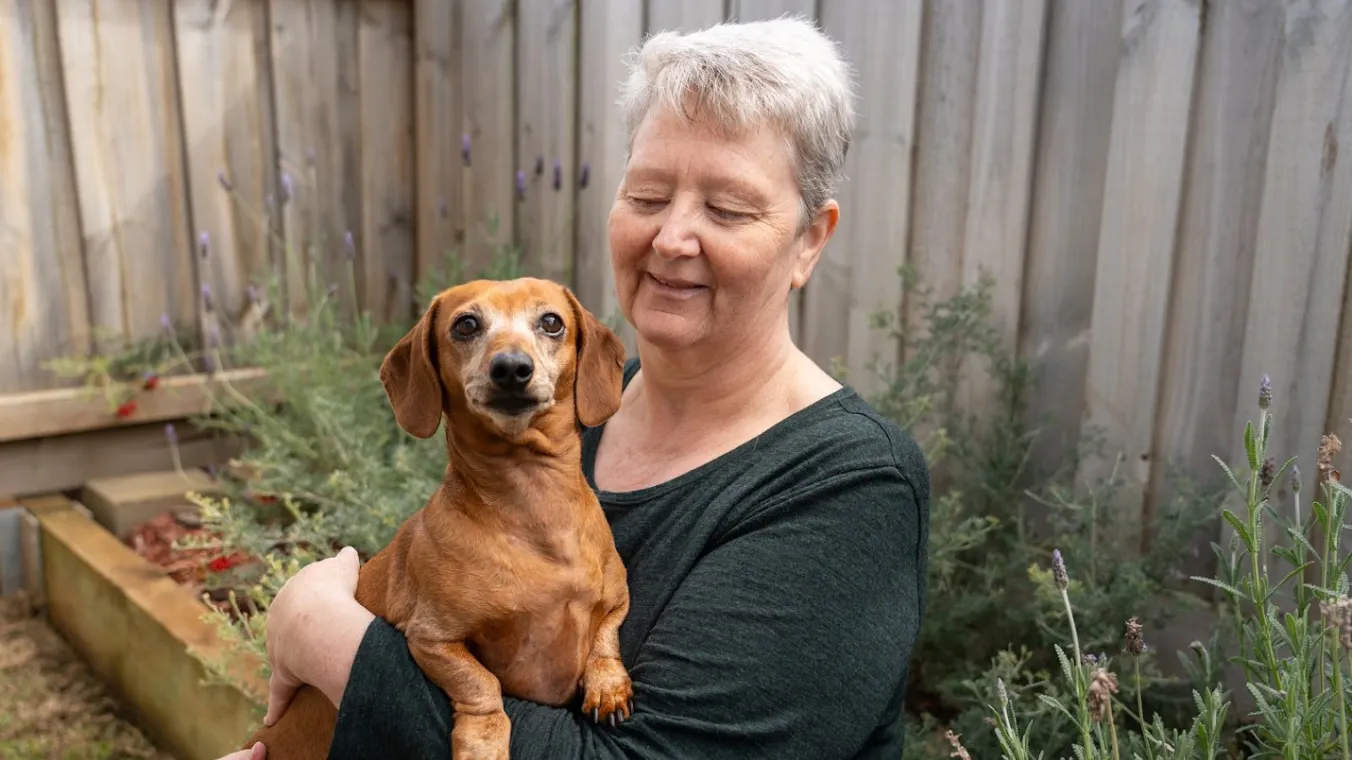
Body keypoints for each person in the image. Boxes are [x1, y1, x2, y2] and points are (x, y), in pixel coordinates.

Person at [219, 14, 929, 760]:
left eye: (727, 208)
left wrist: (318, 630)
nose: (671, 238)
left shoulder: (851, 487)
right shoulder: (552, 415)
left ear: (810, 239)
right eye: (648, 196)